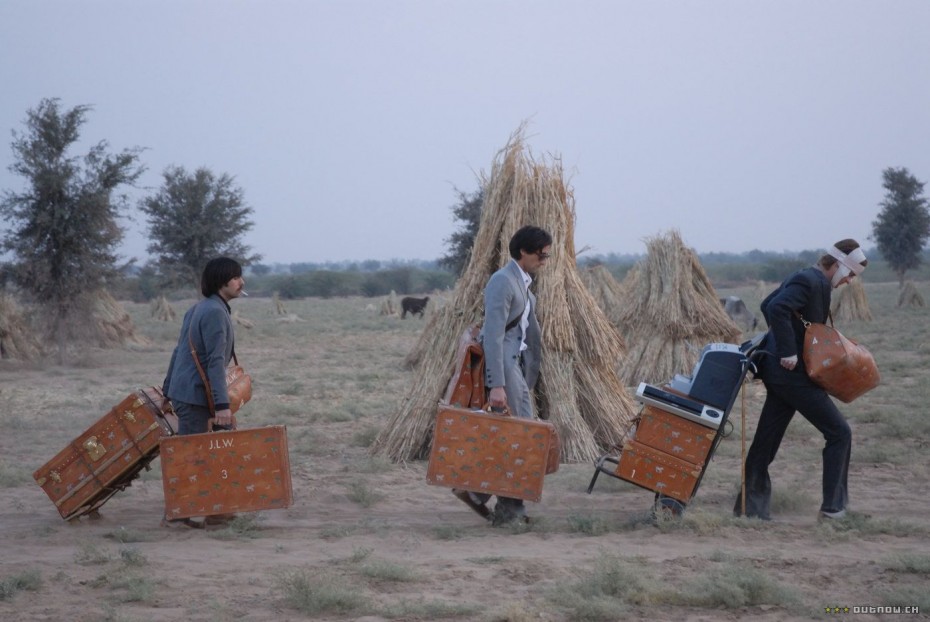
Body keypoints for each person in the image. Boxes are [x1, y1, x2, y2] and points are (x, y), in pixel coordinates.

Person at [735, 239, 867, 522]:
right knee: (839, 432)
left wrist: (787, 343)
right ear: (839, 265)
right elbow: (777, 308)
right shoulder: (812, 281)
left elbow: (766, 303)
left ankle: (749, 508)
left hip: (780, 375)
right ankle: (833, 510)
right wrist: (788, 351)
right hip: (791, 377)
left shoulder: (804, 276)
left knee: (766, 442)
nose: (850, 281)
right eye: (851, 274)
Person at [453, 225, 552, 526]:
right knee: (518, 436)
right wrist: (496, 385)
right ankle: (500, 506)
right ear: (524, 251)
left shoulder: (522, 282)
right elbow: (493, 335)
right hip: (505, 367)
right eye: (541, 254)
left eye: (547, 254)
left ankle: (486, 497)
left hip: (516, 365)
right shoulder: (502, 281)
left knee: (516, 436)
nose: (545, 259)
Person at [161, 257, 245, 528]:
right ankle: (184, 514)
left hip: (187, 392)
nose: (240, 282)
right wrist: (222, 405)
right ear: (222, 281)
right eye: (235, 277)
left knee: (205, 451)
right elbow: (213, 362)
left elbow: (178, 352)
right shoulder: (214, 312)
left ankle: (211, 511)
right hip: (197, 395)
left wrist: (167, 389)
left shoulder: (199, 308)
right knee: (197, 455)